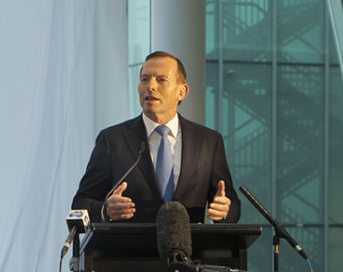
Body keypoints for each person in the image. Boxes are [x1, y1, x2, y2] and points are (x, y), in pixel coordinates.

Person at [72, 50, 240, 224]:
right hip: (129, 249)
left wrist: (224, 211)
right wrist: (105, 210)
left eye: (161, 80)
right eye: (145, 79)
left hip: (189, 248)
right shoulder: (113, 140)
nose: (150, 86)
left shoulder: (208, 142)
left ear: (182, 91)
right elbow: (80, 205)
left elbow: (232, 205)